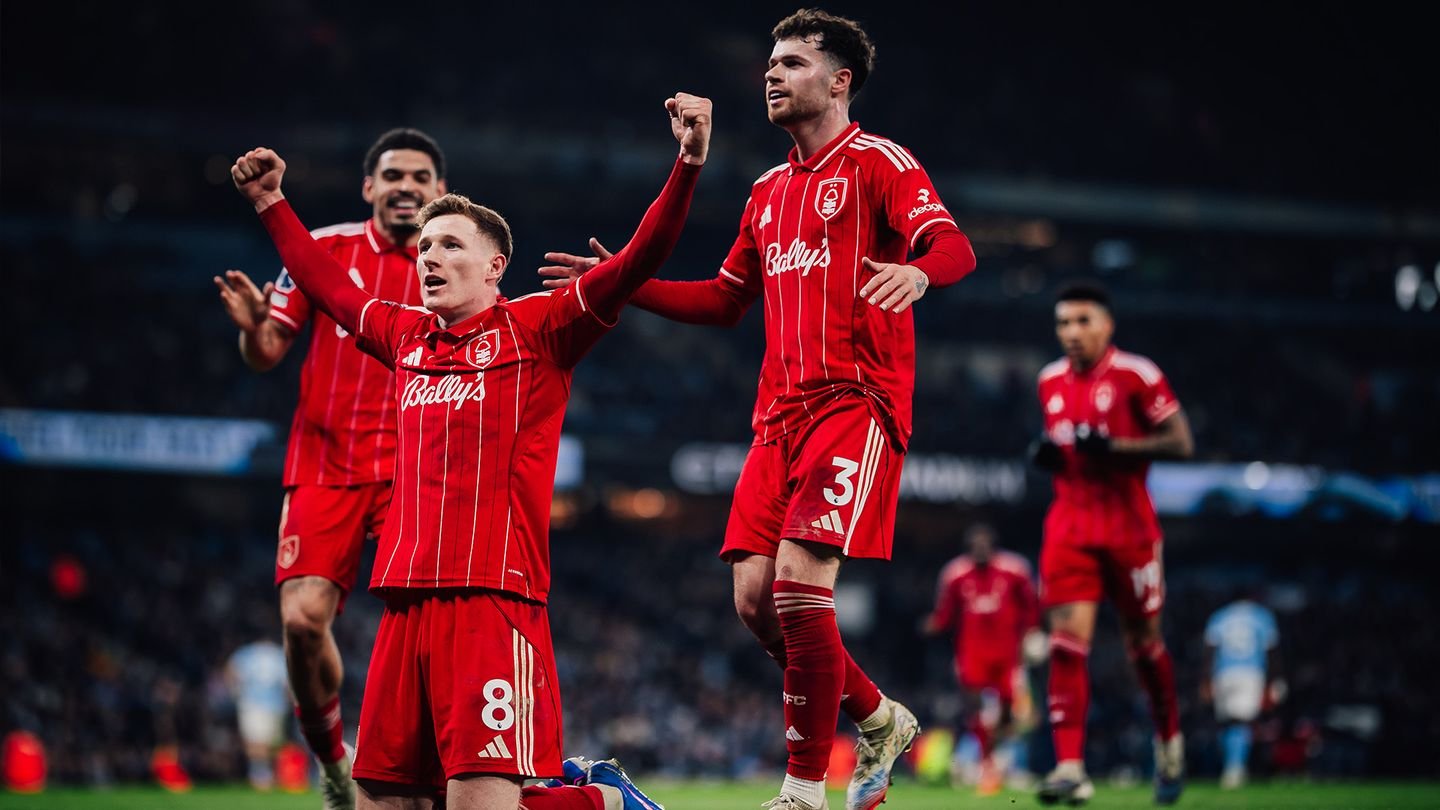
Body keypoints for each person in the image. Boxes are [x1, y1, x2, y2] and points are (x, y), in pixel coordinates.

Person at [540, 10, 975, 809]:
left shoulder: (880, 163)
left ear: (840, 80)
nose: (771, 75)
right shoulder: (767, 192)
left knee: (801, 586)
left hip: (856, 404)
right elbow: (725, 298)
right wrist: (626, 281)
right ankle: (878, 716)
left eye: (793, 62)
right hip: (775, 420)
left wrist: (919, 274)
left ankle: (803, 790)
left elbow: (954, 246)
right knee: (753, 603)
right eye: (769, 64)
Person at [230, 91, 711, 810]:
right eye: (424, 247)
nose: (429, 256)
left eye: (450, 244)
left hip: (494, 602)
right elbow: (326, 285)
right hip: (403, 609)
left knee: (477, 806)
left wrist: (688, 161)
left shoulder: (540, 330)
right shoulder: (403, 336)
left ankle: (605, 802)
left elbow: (643, 259)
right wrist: (271, 201)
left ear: (495, 266)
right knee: (383, 805)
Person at [214, 128, 447, 809]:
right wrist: (254, 326)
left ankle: (432, 772)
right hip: (328, 462)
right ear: (369, 187)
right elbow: (266, 353)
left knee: (435, 629)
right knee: (302, 620)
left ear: (440, 191)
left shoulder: (454, 256)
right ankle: (336, 766)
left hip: (417, 470)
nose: (406, 186)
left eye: (421, 177)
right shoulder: (324, 250)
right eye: (393, 175)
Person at [1028, 281, 1195, 806]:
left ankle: (1169, 742)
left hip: (1129, 528)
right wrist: (1050, 455)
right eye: (1063, 323)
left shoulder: (1137, 375)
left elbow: (1182, 443)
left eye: (1082, 322)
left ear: (1107, 325)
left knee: (1144, 647)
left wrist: (1116, 447)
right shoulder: (1048, 380)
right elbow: (1063, 441)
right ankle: (1071, 767)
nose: (1071, 333)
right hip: (1071, 526)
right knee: (1064, 643)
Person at [924, 523, 1043, 796]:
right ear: (969, 547)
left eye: (984, 544)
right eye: (975, 545)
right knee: (975, 706)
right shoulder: (955, 573)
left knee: (1008, 710)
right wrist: (936, 623)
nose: (980, 549)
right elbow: (946, 612)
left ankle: (997, 756)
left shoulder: (1015, 569)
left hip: (1007, 652)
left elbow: (1031, 606)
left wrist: (1033, 632)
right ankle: (988, 765)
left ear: (993, 545)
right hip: (972, 651)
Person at [1202, 594, 1282, 789]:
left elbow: (1210, 650)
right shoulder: (1262, 616)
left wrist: (1206, 680)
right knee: (1243, 722)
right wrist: (1272, 681)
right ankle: (1235, 768)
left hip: (1223, 673)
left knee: (1227, 722)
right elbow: (1271, 651)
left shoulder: (1220, 616)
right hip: (1250, 672)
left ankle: (1233, 766)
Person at [226, 639, 291, 791]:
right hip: (273, 704)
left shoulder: (245, 653)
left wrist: (235, 692)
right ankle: (261, 775)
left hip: (253, 702)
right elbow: (288, 682)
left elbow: (230, 671)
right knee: (262, 741)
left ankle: (261, 774)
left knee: (258, 741)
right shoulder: (279, 654)